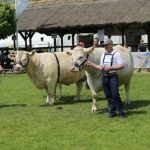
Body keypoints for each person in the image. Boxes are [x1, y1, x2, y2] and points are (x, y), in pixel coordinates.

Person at [85, 39, 125, 119]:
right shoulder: (104, 55)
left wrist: (111, 67)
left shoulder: (117, 54)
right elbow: (101, 67)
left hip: (113, 76)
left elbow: (121, 66)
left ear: (111, 45)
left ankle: (121, 112)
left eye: (106, 45)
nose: (105, 47)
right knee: (108, 96)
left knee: (115, 95)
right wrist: (92, 64)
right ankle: (112, 112)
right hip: (105, 77)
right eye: (104, 45)